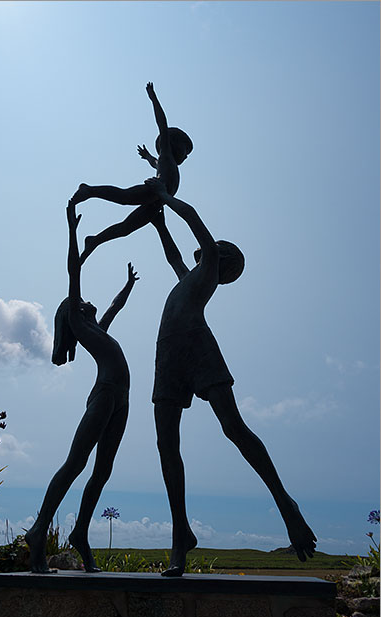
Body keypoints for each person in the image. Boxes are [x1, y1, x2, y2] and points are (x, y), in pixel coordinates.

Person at [144, 177, 317, 577]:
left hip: (198, 349)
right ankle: (180, 535)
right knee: (166, 443)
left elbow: (192, 216)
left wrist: (164, 197)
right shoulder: (190, 275)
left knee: (234, 427)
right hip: (168, 354)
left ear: (220, 260)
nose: (209, 248)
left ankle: (286, 505)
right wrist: (158, 224)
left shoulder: (207, 269)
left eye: (216, 249)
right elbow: (173, 255)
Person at [25, 200, 138, 573]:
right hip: (105, 393)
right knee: (76, 462)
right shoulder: (76, 315)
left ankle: (80, 533)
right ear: (73, 310)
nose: (89, 301)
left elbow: (115, 308)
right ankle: (39, 530)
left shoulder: (97, 327)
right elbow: (73, 269)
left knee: (102, 470)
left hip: (121, 399)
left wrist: (127, 287)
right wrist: (72, 231)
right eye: (82, 300)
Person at [72, 82, 193, 263]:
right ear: (173, 143)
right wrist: (153, 98)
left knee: (126, 228)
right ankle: (89, 190)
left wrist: (146, 157)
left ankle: (94, 240)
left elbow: (154, 162)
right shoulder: (166, 155)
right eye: (185, 149)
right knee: (125, 196)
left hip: (157, 204)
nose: (186, 155)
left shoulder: (165, 162)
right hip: (155, 190)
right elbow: (162, 123)